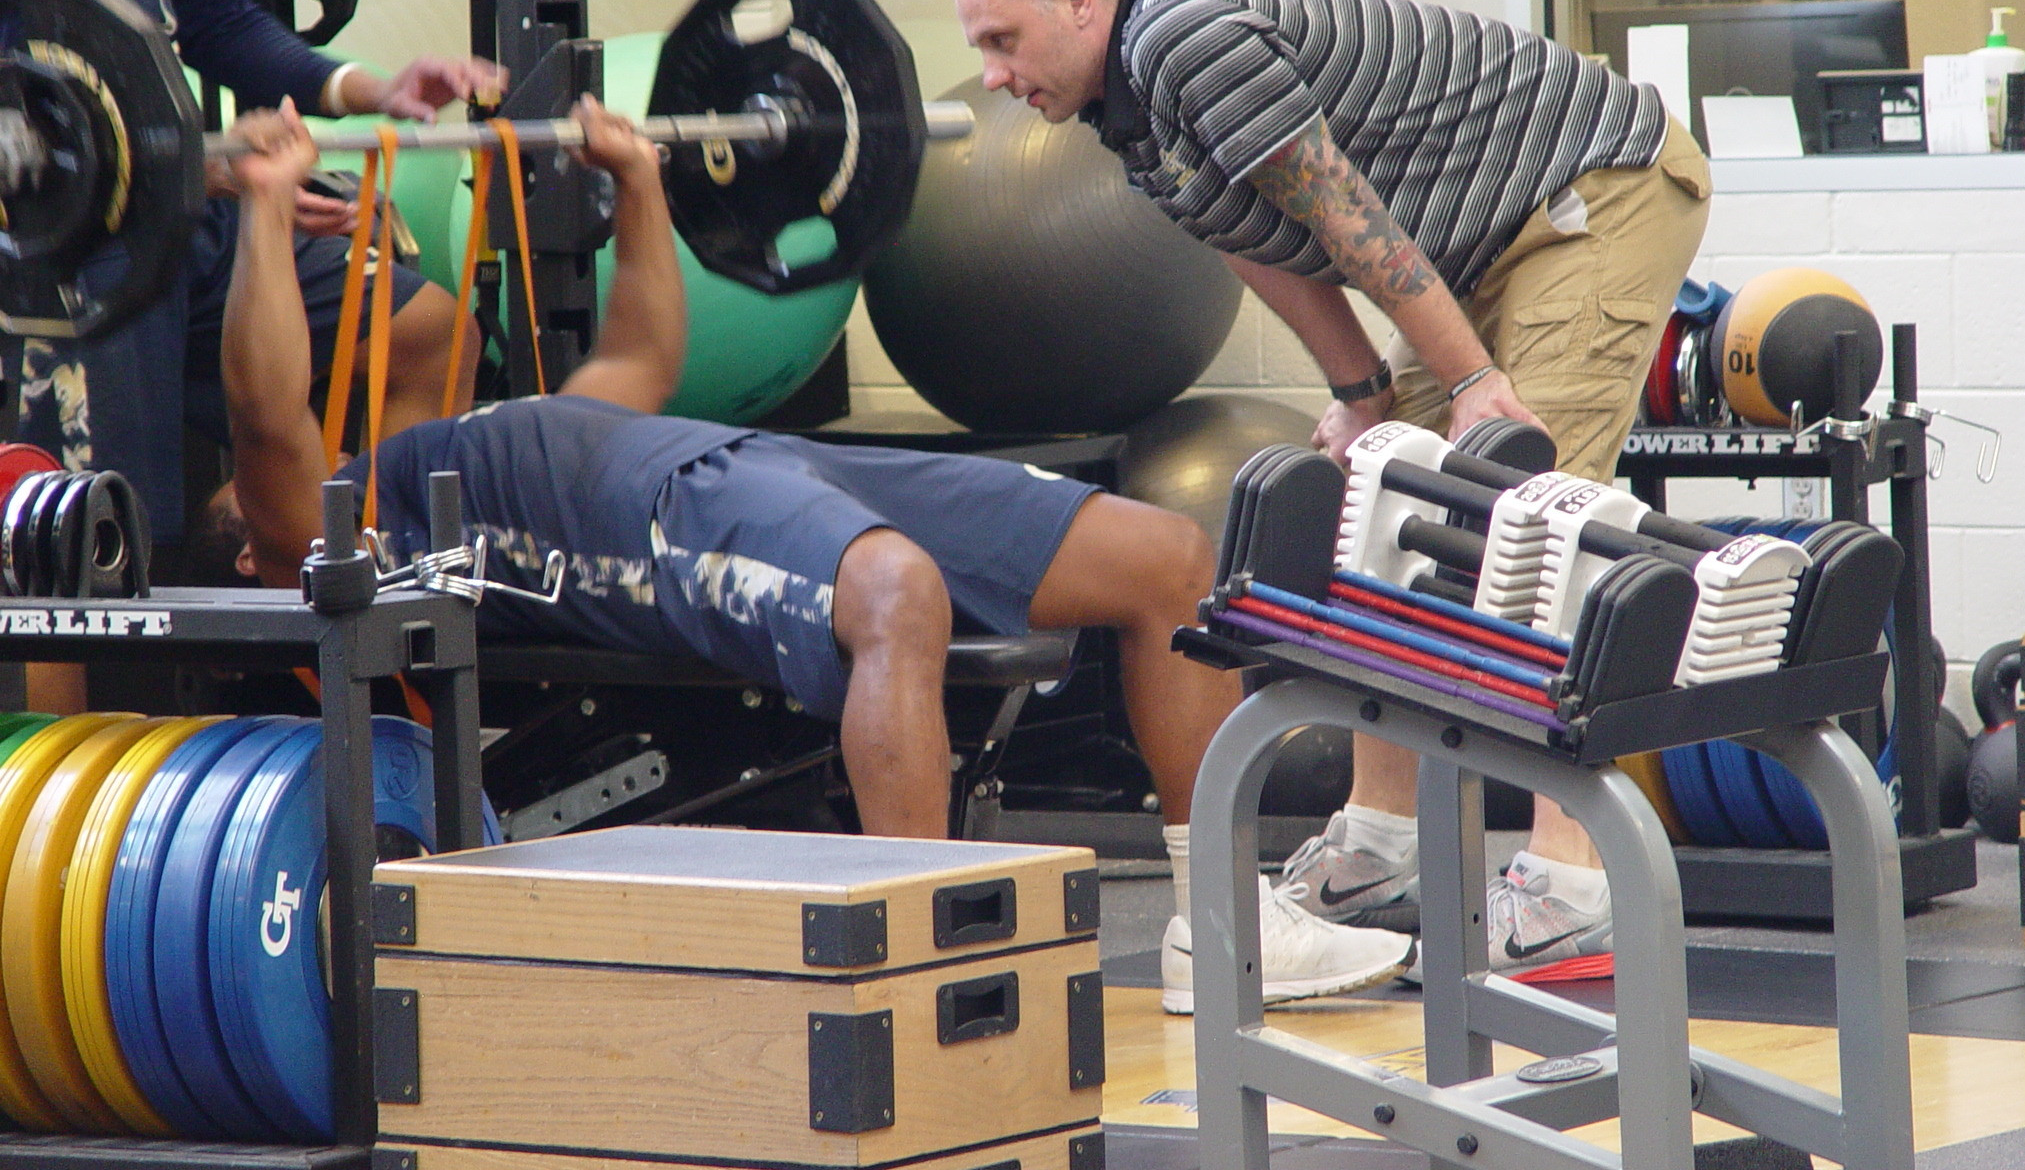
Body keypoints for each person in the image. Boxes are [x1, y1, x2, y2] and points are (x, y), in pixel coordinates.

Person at [208, 96, 1417, 1014]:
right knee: (898, 589)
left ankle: (1217, 924)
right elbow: (267, 416)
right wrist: (266, 207)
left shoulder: (468, 442)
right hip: (648, 524)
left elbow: (639, 359)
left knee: (1164, 554)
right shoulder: (341, 527)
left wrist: (634, 181)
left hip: (738, 459)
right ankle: (928, 957)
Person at [954, 0, 1712, 974]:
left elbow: (1341, 208)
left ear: (1075, 0)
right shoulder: (1121, 107)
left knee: (1544, 512)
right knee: (1383, 491)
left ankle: (1573, 879)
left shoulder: (1185, 40)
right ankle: (1379, 843)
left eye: (998, 40)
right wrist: (1361, 392)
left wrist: (1476, 383)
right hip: (1477, 236)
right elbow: (1262, 240)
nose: (989, 75)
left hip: (1589, 185)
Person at [0, 0, 498, 575]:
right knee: (99, 539)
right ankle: (93, 730)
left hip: (183, 215)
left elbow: (222, 21)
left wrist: (369, 89)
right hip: (80, 261)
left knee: (430, 333)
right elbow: (19, 131)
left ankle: (361, 602)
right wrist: (210, 169)